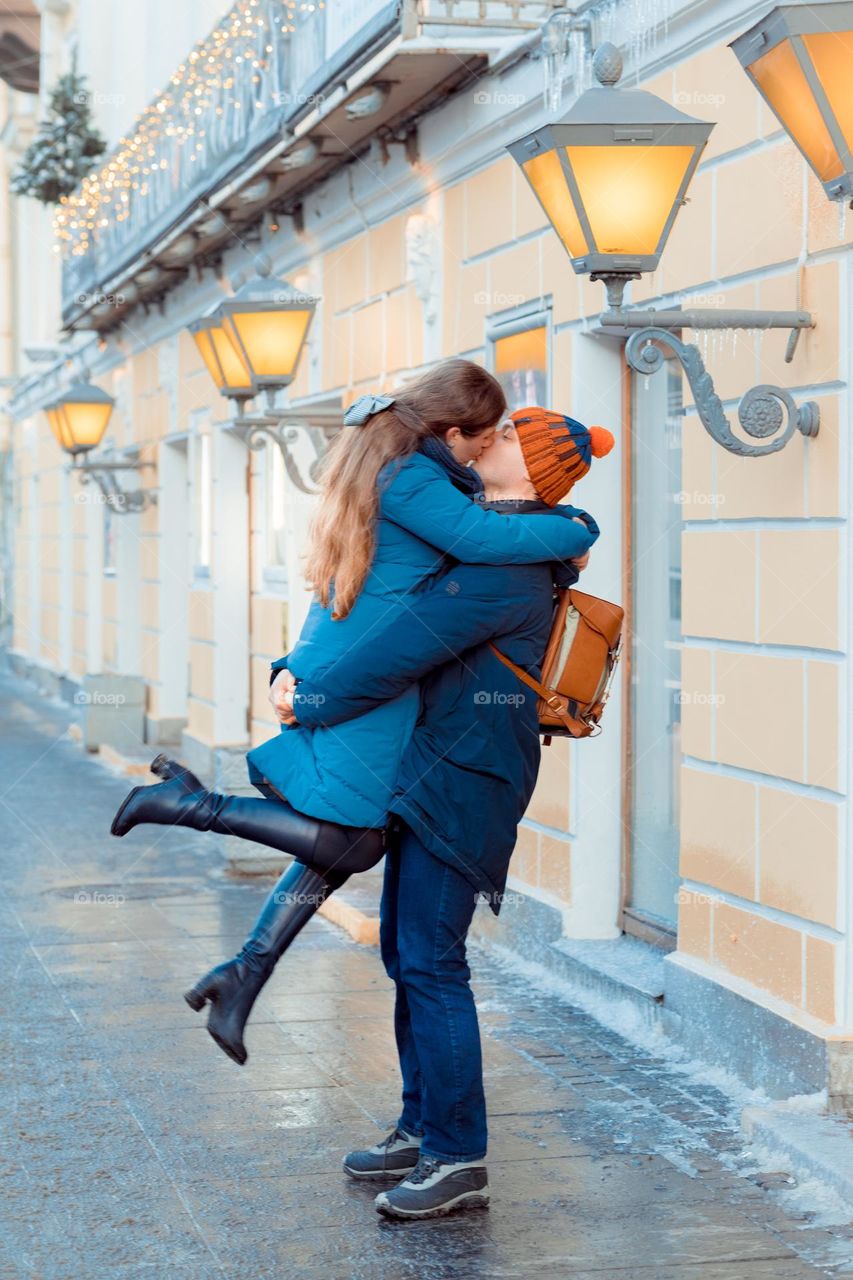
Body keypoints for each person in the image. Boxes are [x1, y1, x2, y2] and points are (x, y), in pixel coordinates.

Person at [108, 361, 598, 1067]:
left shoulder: (418, 475)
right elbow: (456, 567)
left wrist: (301, 676)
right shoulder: (427, 483)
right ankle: (200, 821)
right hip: (362, 676)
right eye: (486, 432)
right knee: (351, 841)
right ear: (451, 430)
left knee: (353, 845)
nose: (490, 442)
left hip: (386, 699)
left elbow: (430, 582)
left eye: (508, 436)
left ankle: (245, 966)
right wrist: (578, 527)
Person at [274, 406, 614, 1219]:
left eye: (502, 435)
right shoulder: (496, 536)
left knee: (429, 959)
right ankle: (421, 1124)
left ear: (528, 464)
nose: (482, 439)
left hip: (460, 778)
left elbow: (402, 645)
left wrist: (306, 697)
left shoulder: (501, 564)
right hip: (435, 768)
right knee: (406, 951)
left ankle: (457, 1156)